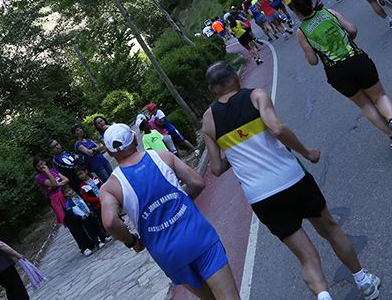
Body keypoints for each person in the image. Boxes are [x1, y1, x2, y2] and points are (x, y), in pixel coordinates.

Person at [200, 61, 382, 300]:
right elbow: (277, 129)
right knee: (330, 229)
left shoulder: (208, 120)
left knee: (306, 256)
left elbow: (215, 168)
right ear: (235, 77)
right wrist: (307, 152)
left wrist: (237, 150)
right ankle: (364, 282)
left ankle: (324, 296)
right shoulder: (256, 96)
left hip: (262, 197)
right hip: (292, 179)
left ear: (211, 90)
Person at [99, 124, 241, 300]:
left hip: (168, 254)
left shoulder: (110, 187)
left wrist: (132, 241)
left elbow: (110, 222)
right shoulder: (162, 156)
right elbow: (197, 183)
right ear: (135, 139)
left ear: (109, 152)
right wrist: (183, 200)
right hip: (198, 236)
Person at [288, 0, 392, 150]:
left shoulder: (302, 32)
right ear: (309, 0)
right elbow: (352, 30)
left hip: (337, 72)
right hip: (357, 59)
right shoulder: (328, 12)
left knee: (365, 105)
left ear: (296, 11)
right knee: (378, 96)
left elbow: (313, 61)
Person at [62, 185, 107, 253]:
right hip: (83, 218)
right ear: (64, 195)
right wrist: (79, 217)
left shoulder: (78, 196)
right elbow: (72, 213)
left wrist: (90, 210)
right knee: (90, 231)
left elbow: (86, 203)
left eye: (69, 190)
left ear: (72, 189)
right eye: (66, 192)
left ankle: (103, 238)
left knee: (96, 226)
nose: (69, 192)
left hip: (89, 214)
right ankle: (97, 242)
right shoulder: (68, 203)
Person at [33, 158, 68, 226]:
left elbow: (66, 179)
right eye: (38, 166)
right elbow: (54, 184)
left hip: (66, 194)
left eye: (41, 163)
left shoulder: (53, 170)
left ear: (44, 162)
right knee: (69, 219)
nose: (41, 166)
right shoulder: (39, 177)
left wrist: (58, 184)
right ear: (36, 168)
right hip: (57, 200)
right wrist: (48, 173)